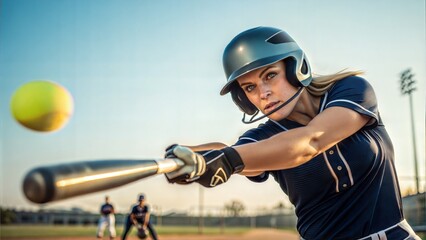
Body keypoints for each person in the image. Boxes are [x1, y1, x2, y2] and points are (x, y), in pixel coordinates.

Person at [164, 26, 421, 239]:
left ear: (297, 68)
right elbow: (236, 153)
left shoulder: (351, 90)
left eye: (270, 75)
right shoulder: (267, 136)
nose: (263, 93)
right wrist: (186, 158)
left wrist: (229, 159)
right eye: (250, 87)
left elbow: (312, 140)